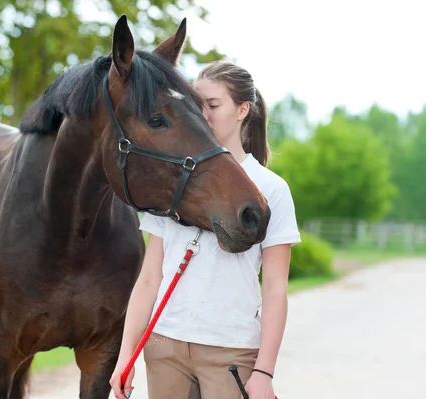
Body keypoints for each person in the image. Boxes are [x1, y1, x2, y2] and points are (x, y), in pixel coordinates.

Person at [109, 60, 301, 399]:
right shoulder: (171, 175)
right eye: (198, 105)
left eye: (213, 105)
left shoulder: (271, 189)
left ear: (243, 110)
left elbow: (274, 289)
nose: (204, 114)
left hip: (230, 350)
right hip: (164, 345)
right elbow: (150, 277)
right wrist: (126, 356)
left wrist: (264, 371)